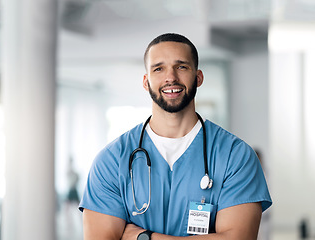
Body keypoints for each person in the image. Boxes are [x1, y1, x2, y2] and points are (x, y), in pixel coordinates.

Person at [79, 33, 272, 240]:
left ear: (198, 78)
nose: (170, 77)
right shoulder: (111, 160)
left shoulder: (236, 156)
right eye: (158, 68)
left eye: (181, 66)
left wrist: (144, 237)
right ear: (146, 81)